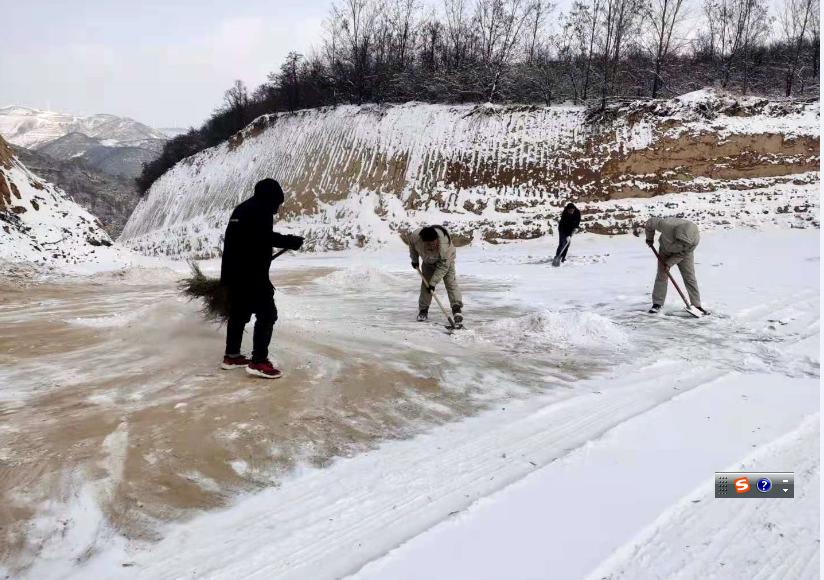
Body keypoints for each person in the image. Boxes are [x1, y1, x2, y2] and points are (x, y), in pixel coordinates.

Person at [219, 178, 304, 378]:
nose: (276, 209)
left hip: (233, 273)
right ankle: (258, 361)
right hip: (251, 275)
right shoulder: (260, 209)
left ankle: (232, 356)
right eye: (277, 204)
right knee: (267, 314)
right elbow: (263, 237)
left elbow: (251, 237)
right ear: (271, 198)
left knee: (239, 313)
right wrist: (290, 241)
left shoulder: (243, 208)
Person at [644, 216, 707, 315]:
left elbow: (683, 254)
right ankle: (657, 304)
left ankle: (697, 305)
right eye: (680, 241)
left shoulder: (695, 240)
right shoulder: (666, 225)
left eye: (685, 243)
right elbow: (650, 222)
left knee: (689, 277)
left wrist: (668, 264)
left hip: (684, 254)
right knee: (662, 275)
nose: (681, 244)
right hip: (665, 250)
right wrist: (649, 238)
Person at [407, 225, 463, 324]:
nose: (431, 246)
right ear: (423, 241)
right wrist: (414, 260)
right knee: (426, 285)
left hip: (446, 261)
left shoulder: (444, 245)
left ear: (437, 239)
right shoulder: (415, 237)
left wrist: (433, 283)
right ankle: (423, 311)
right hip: (428, 262)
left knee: (450, 282)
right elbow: (412, 246)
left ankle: (456, 309)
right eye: (428, 244)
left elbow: (443, 267)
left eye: (433, 243)